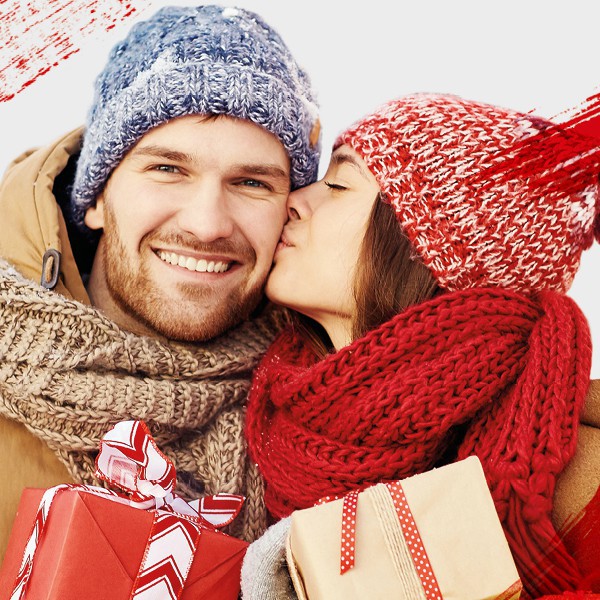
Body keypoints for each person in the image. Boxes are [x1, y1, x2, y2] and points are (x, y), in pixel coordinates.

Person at [242, 93, 600, 598]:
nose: (296, 199)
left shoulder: (578, 489)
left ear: (422, 252)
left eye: (339, 184)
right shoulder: (257, 415)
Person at [0, 4, 321, 560]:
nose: (207, 223)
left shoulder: (322, 416)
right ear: (96, 195)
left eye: (251, 182)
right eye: (168, 169)